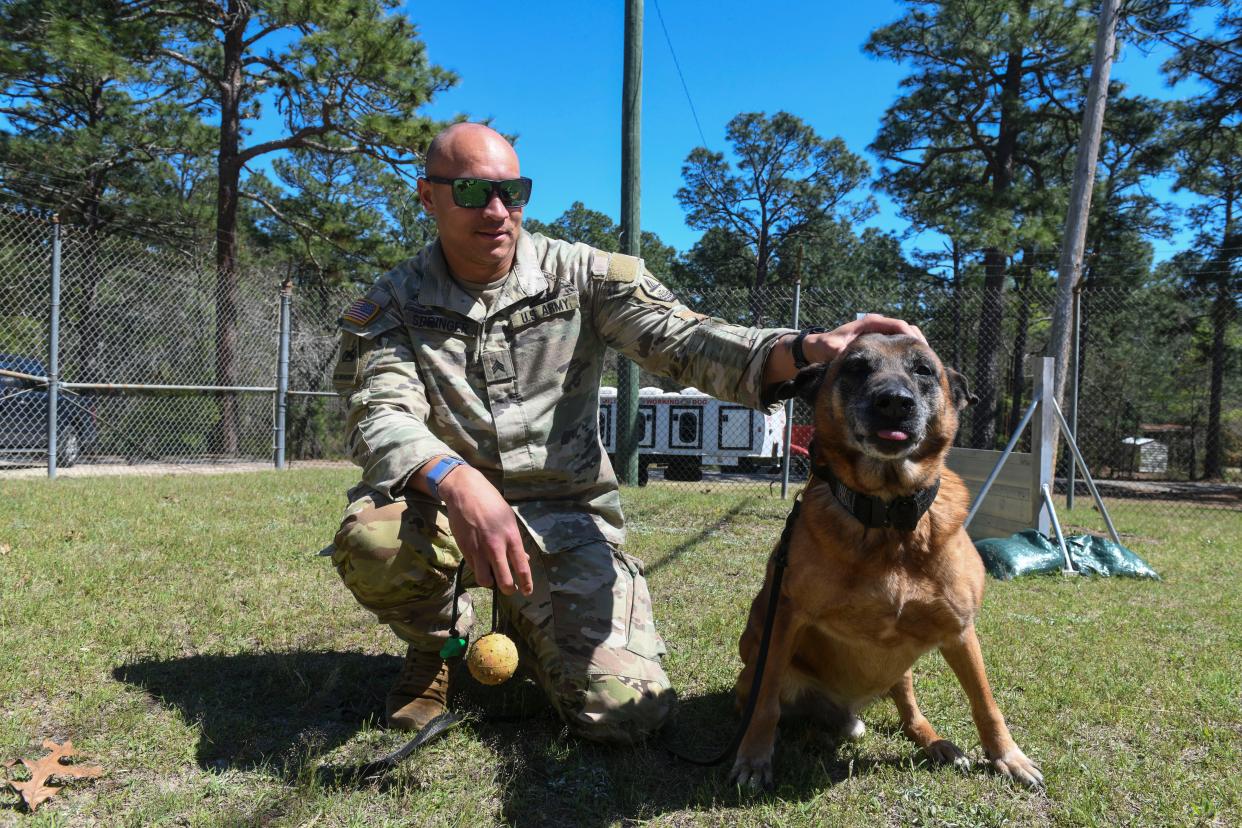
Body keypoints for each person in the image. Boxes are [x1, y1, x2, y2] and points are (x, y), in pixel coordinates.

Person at [328, 122, 923, 744]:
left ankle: (540, 639)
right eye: (474, 193)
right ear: (429, 197)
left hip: (563, 521)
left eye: (514, 191)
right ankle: (436, 651)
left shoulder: (580, 276)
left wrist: (804, 349)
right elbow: (380, 414)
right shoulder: (393, 302)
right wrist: (457, 480)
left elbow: (688, 340)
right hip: (444, 513)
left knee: (629, 716)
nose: (499, 211)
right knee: (377, 541)